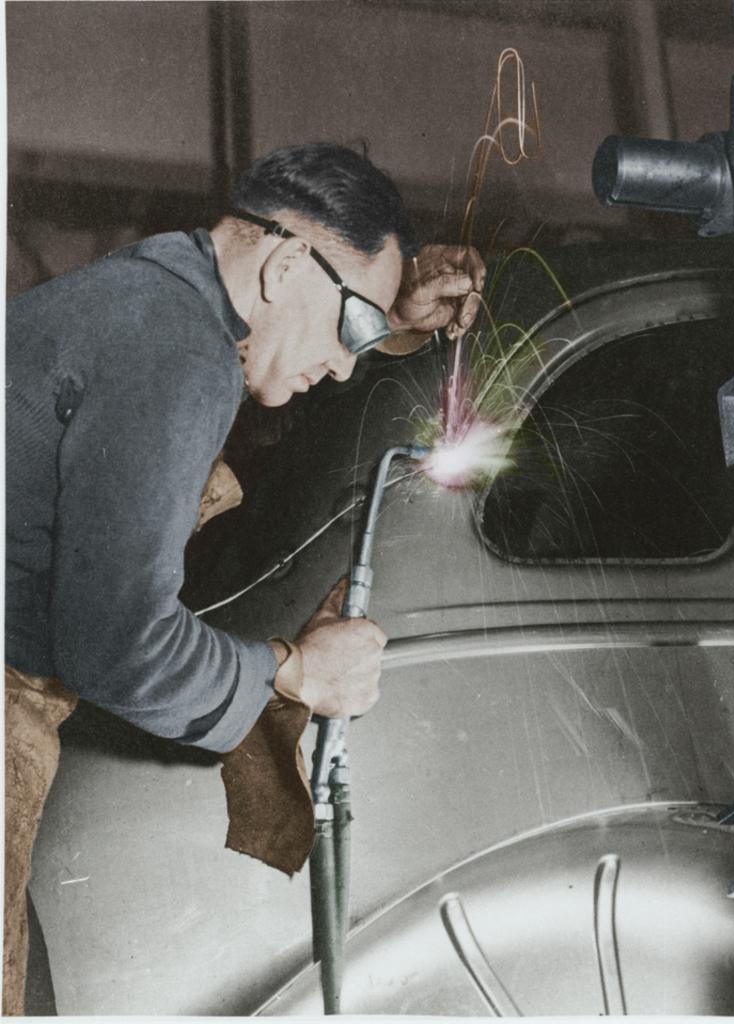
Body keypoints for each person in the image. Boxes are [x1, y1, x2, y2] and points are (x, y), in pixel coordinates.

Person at [4, 142, 485, 1013]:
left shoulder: (155, 291)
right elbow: (118, 648)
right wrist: (295, 670)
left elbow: (277, 348)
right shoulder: (177, 352)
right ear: (286, 260)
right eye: (350, 330)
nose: (345, 365)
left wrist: (380, 314)